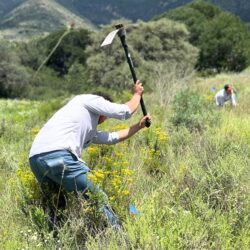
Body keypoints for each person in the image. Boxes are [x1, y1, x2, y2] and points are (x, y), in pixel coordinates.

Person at [29, 80, 151, 228]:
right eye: (106, 114)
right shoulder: (89, 100)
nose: (105, 119)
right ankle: (119, 239)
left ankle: (53, 239)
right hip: (59, 155)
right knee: (97, 197)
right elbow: (124, 111)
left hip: (36, 159)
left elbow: (113, 137)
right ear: (102, 106)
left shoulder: (85, 125)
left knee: (57, 204)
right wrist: (137, 94)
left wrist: (139, 126)